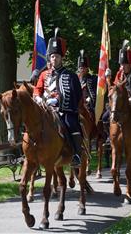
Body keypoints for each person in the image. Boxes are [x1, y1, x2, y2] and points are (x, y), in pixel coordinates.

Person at [33, 28, 83, 167]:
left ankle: (76, 155)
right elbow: (37, 90)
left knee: (72, 124)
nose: (55, 59)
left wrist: (58, 101)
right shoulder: (44, 75)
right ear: (50, 58)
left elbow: (75, 93)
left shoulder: (70, 75)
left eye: (57, 56)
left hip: (63, 110)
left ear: (62, 58)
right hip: (45, 109)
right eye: (52, 56)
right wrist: (38, 99)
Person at [77, 50, 97, 117]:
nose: (82, 70)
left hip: (89, 105)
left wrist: (89, 99)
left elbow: (94, 94)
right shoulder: (75, 79)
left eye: (84, 68)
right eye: (81, 68)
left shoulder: (92, 79)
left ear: (87, 69)